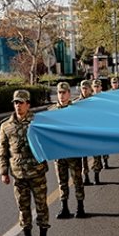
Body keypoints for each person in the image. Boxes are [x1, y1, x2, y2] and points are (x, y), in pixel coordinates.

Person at [0, 90, 51, 236]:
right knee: (23, 207)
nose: (18, 105)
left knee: (41, 205)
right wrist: (3, 172)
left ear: (28, 104)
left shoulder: (38, 122)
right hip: (18, 174)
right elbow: (3, 150)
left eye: (21, 102)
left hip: (37, 172)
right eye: (15, 102)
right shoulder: (6, 126)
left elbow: (48, 142)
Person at [48, 82, 86, 219]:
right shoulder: (51, 112)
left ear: (69, 94)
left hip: (73, 153)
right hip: (59, 154)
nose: (62, 95)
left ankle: (80, 207)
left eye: (64, 93)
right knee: (61, 182)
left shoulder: (76, 110)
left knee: (77, 180)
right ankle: (64, 207)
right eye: (59, 93)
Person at [75, 80, 95, 185]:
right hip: (82, 133)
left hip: (93, 132)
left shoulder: (94, 101)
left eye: (86, 88)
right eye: (83, 88)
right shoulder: (77, 103)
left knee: (96, 154)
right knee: (83, 157)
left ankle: (96, 173)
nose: (84, 90)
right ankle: (86, 176)